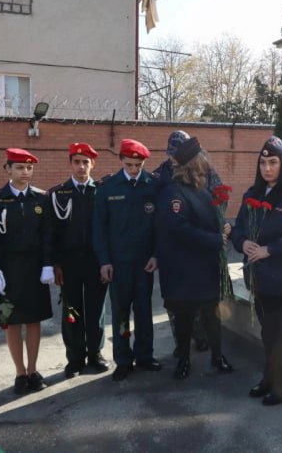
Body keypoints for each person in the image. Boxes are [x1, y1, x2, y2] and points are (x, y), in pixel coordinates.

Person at [231, 136, 282, 406]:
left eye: (273, 162)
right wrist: (242, 242)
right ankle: (270, 377)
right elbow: (239, 227)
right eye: (263, 162)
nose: (267, 168)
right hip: (259, 278)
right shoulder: (251, 194)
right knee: (268, 331)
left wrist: (270, 249)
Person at [155, 137, 234, 379]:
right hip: (184, 271)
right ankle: (184, 361)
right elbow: (180, 229)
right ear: (193, 165)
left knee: (213, 315)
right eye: (203, 160)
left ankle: (217, 356)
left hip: (204, 268)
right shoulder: (174, 194)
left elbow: (209, 221)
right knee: (184, 319)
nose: (206, 163)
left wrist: (225, 227)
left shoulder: (202, 191)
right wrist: (214, 240)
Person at [92, 138, 161, 382]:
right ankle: (123, 359)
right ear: (121, 160)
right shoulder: (108, 188)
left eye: (138, 165)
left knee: (144, 311)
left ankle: (145, 355)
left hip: (144, 262)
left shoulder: (152, 185)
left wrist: (156, 255)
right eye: (130, 164)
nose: (134, 170)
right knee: (121, 312)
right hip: (118, 263)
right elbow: (98, 229)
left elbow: (159, 226)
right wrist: (104, 261)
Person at [0, 148, 54, 395]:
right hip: (8, 273)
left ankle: (33, 369)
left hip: (35, 270)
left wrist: (48, 263)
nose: (25, 172)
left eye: (29, 168)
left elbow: (47, 235)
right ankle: (19, 372)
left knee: (34, 320)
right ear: (8, 169)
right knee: (12, 322)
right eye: (19, 167)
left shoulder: (41, 198)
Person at [48, 143, 109, 379]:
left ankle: (96, 353)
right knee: (72, 310)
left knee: (96, 310)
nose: (81, 166)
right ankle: (75, 357)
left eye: (86, 162)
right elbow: (52, 232)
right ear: (70, 163)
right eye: (77, 161)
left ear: (92, 164)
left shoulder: (101, 191)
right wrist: (56, 263)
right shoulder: (58, 194)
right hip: (70, 263)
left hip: (95, 261)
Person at [154, 129, 212, 356]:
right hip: (171, 246)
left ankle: (201, 335)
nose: (173, 158)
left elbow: (215, 195)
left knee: (196, 297)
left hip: (197, 245)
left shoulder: (203, 168)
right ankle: (181, 342)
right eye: (171, 153)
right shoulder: (161, 174)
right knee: (174, 302)